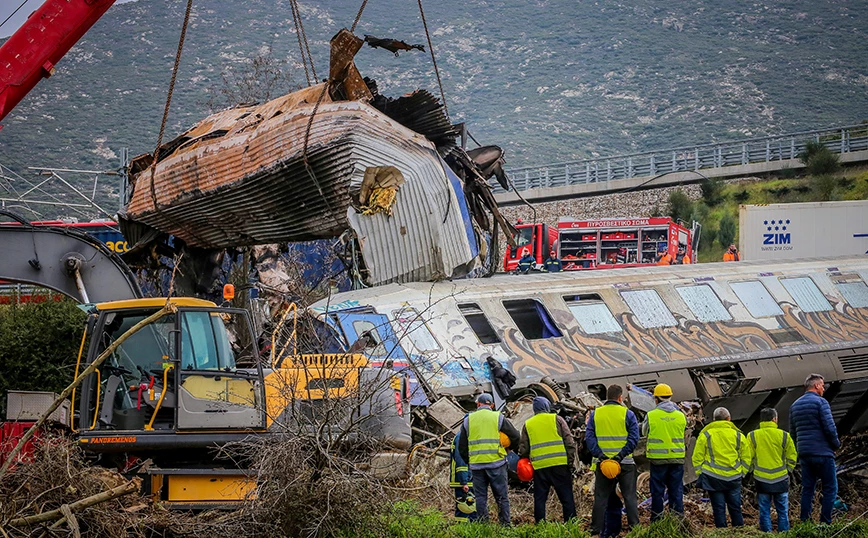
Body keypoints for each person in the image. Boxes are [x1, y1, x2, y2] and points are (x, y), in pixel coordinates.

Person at [586, 384, 640, 536]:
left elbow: (589, 438)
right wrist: (620, 456)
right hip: (625, 463)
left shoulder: (596, 414)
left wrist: (601, 455)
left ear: (607, 397)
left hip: (603, 464)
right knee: (629, 497)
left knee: (600, 498)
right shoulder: (627, 414)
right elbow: (634, 438)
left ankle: (595, 531)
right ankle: (635, 530)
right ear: (620, 397)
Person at [458, 393, 520, 525]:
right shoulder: (498, 417)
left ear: (478, 404)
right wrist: (509, 450)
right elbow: (515, 436)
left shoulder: (469, 420)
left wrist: (470, 461)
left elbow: (462, 446)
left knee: (480, 497)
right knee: (502, 497)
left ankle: (483, 525)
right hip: (497, 464)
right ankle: (505, 525)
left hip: (477, 466)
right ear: (491, 405)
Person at [790, 373, 840, 524]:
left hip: (805, 454)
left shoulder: (795, 405)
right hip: (823, 453)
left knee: (808, 489)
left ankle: (805, 522)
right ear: (817, 385)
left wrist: (801, 448)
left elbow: (793, 432)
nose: (823, 389)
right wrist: (835, 445)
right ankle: (825, 523)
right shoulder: (821, 403)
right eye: (823, 386)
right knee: (830, 488)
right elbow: (830, 428)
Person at [518, 396, 576, 523]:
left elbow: (523, 449)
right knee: (566, 498)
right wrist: (570, 463)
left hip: (539, 467)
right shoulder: (557, 419)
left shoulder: (528, 424)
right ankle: (571, 524)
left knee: (540, 499)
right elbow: (570, 443)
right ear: (547, 406)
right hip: (560, 465)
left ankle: (540, 525)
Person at [692, 407, 752, 528]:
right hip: (734, 477)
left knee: (718, 508)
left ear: (714, 420)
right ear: (728, 419)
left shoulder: (706, 434)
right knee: (735, 507)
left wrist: (701, 473)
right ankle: (739, 531)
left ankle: (721, 531)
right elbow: (747, 457)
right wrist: (743, 472)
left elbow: (697, 457)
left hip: (713, 478)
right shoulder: (738, 435)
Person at [641, 383, 686, 522]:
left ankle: (657, 520)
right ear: (670, 397)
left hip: (658, 460)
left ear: (656, 399)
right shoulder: (680, 416)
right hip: (677, 459)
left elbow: (644, 432)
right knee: (676, 491)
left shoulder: (652, 415)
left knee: (657, 492)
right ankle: (677, 521)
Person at [749, 408, 797, 532]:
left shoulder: (752, 435)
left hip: (761, 479)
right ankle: (784, 534)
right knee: (783, 511)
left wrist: (752, 470)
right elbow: (792, 456)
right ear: (774, 419)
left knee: (764, 511)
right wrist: (788, 470)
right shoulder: (784, 435)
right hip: (781, 479)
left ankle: (767, 534)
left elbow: (748, 457)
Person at [450, 430, 477, 522]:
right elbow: (461, 460)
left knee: (470, 509)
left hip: (467, 479)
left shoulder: (465, 436)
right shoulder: (462, 437)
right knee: (465, 509)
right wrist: (464, 481)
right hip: (464, 480)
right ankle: (463, 530)